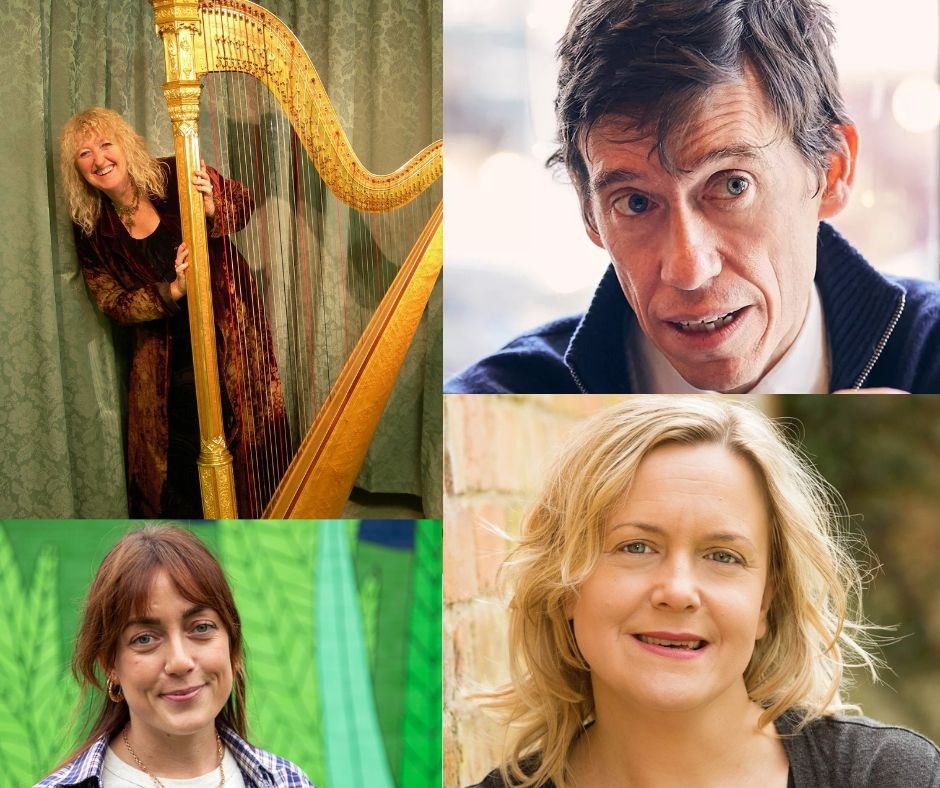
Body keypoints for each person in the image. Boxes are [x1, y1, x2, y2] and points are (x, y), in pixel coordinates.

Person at [446, 0, 940, 394]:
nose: (688, 268)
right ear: (590, 214)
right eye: (635, 202)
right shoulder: (476, 406)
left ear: (831, 171)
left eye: (731, 185)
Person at [469, 397, 940, 787]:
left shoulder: (888, 775)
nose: (677, 591)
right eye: (636, 546)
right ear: (565, 584)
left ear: (765, 603)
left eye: (723, 556)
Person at [59, 107, 288, 518]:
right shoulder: (91, 225)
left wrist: (214, 206)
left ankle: (260, 528)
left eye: (106, 144)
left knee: (249, 438)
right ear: (78, 169)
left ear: (125, 146)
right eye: (85, 154)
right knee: (183, 458)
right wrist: (172, 290)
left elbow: (243, 201)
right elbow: (113, 302)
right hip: (165, 356)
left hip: (230, 333)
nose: (99, 159)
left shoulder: (173, 172)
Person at [35, 524, 314, 787]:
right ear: (110, 665)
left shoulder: (287, 780)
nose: (180, 662)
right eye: (144, 639)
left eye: (201, 628)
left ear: (233, 647)